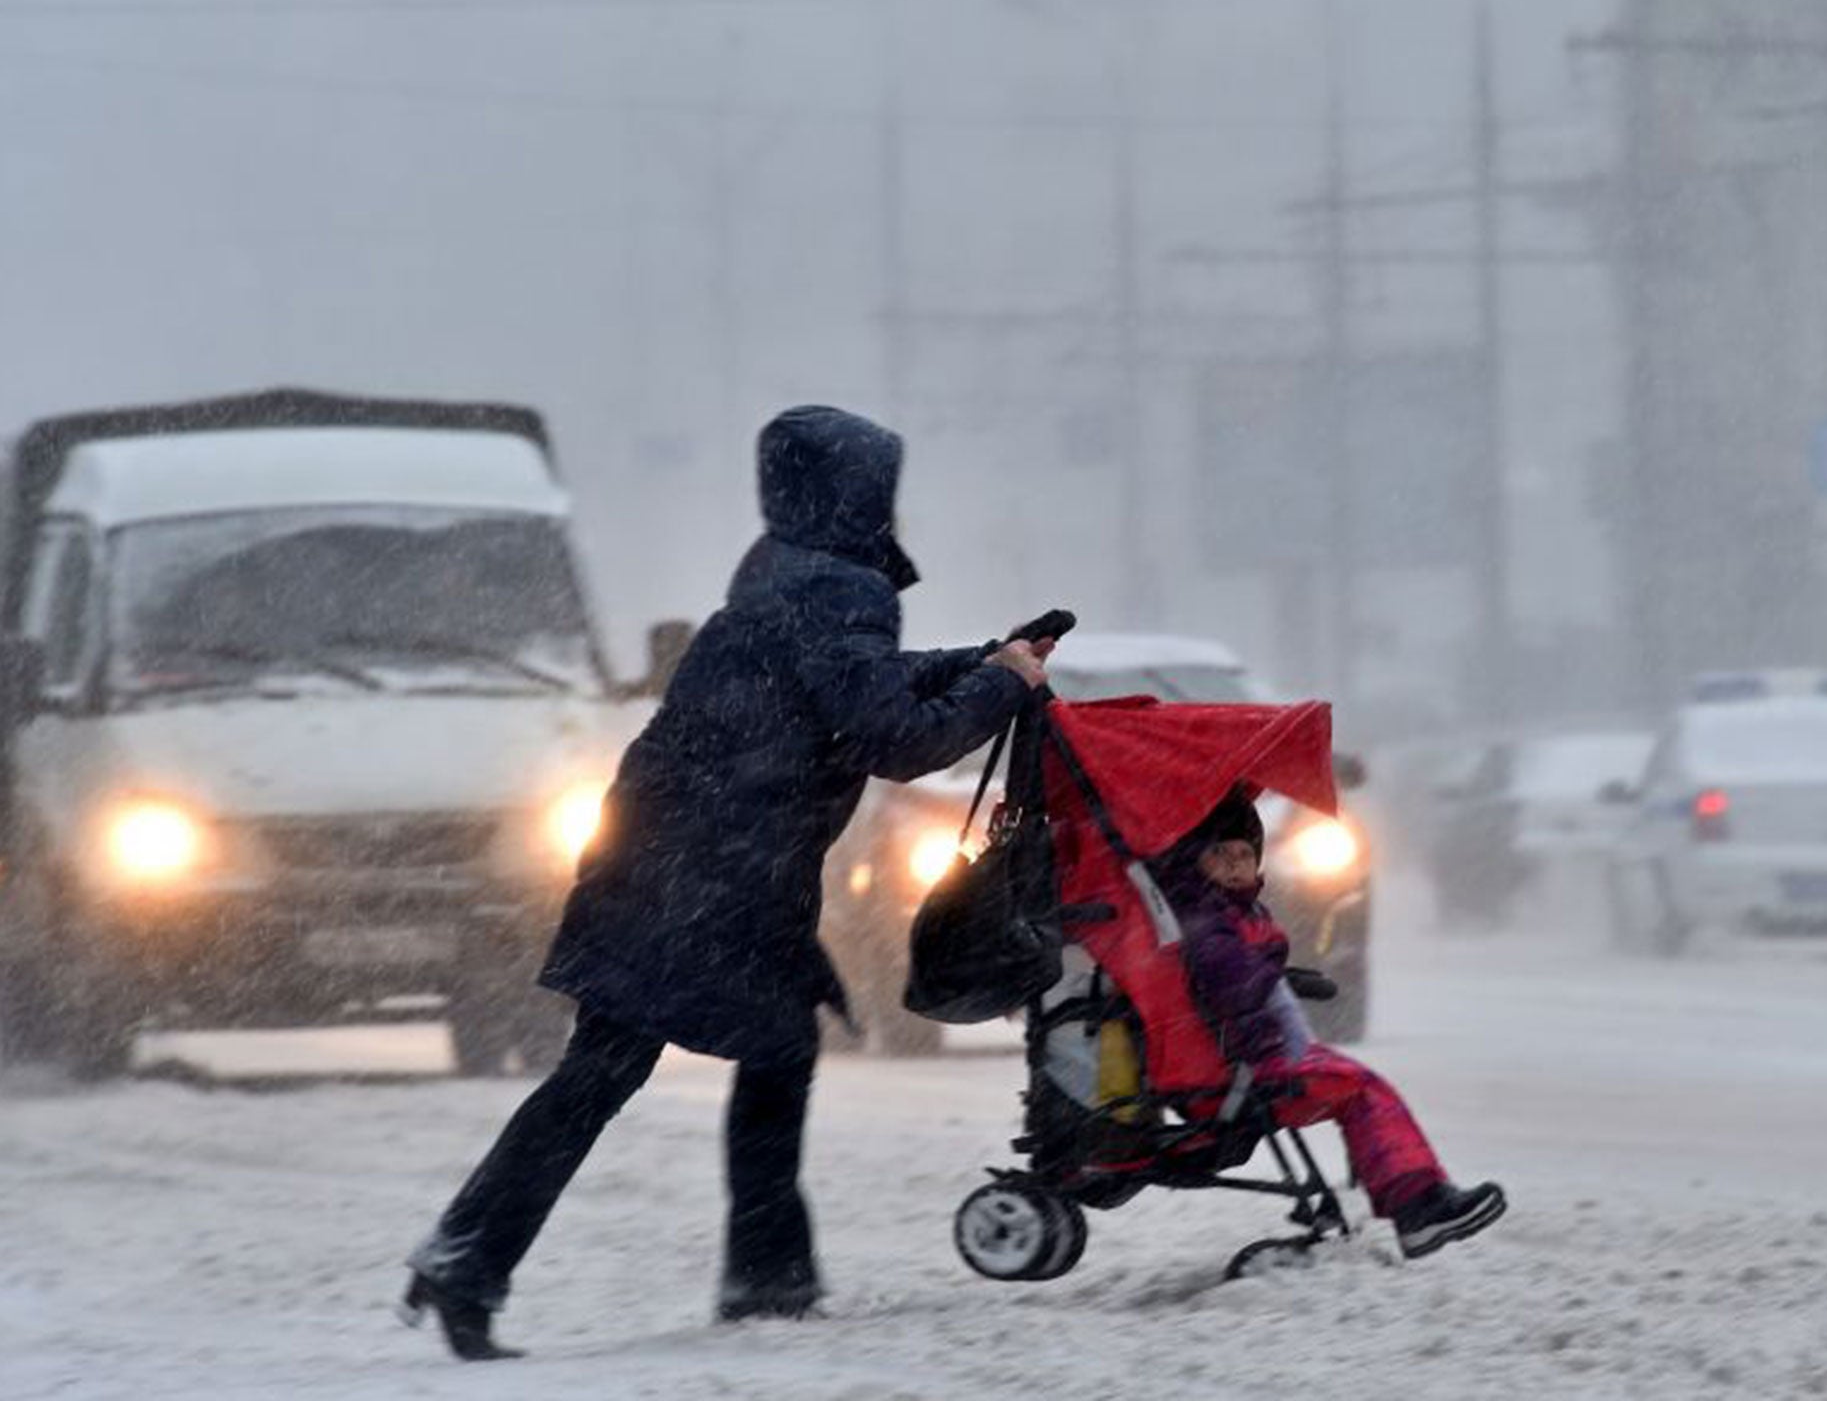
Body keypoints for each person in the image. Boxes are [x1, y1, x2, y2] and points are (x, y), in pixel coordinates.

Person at [402, 405, 1050, 1359]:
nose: (893, 514)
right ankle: (748, 1278)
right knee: (672, 1065)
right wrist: (1002, 688)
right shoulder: (840, 589)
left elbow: (852, 685)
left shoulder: (786, 572)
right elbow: (892, 737)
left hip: (673, 856)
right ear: (853, 496)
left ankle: (488, 1258)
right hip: (715, 874)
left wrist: (978, 659)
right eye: (882, 493)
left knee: (651, 1066)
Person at [1158, 790, 1507, 1259]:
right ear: (1196, 861)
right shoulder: (1204, 917)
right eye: (1220, 855)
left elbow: (1242, 971)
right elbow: (1225, 974)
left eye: (1244, 855)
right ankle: (1416, 1205)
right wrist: (1268, 978)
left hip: (1262, 1052)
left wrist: (1281, 977)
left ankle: (1413, 1198)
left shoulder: (1234, 912)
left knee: (1363, 1088)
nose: (1235, 865)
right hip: (1250, 1066)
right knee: (1362, 1091)